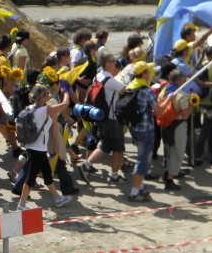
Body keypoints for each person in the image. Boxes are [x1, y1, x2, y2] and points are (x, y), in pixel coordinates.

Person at [16, 84, 74, 211]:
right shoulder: (44, 110)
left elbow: (53, 126)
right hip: (37, 149)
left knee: (47, 174)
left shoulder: (32, 108)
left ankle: (57, 199)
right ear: (42, 97)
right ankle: (21, 205)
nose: (49, 95)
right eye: (47, 94)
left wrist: (57, 144)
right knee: (31, 178)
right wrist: (66, 92)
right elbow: (65, 105)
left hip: (36, 147)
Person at [125, 61, 175, 201]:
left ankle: (140, 187)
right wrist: (168, 99)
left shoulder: (131, 86)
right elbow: (158, 110)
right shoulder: (146, 91)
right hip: (146, 130)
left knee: (140, 157)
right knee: (143, 161)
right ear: (145, 74)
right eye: (148, 71)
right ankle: (134, 192)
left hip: (134, 128)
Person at [77, 48, 127, 183]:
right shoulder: (111, 80)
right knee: (117, 148)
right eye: (112, 61)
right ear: (107, 64)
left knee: (104, 146)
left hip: (101, 117)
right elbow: (125, 90)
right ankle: (115, 176)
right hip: (112, 118)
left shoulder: (98, 76)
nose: (114, 63)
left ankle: (86, 165)